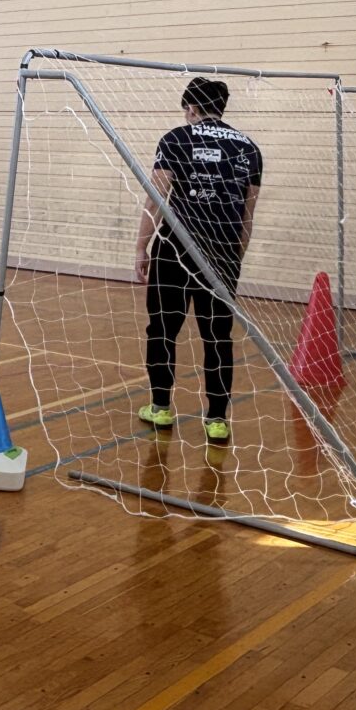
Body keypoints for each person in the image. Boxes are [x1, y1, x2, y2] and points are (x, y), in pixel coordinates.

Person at [133, 76, 262, 444]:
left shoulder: (176, 138)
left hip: (175, 250)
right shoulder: (249, 149)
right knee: (217, 336)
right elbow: (247, 214)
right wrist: (234, 257)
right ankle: (217, 419)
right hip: (222, 253)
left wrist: (141, 247)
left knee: (162, 329)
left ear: (190, 108)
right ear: (220, 108)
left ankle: (161, 408)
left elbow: (156, 198)